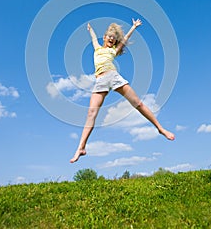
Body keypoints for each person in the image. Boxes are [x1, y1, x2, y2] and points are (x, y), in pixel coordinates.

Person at [70, 19, 175, 163]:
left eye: (114, 37)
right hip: (100, 81)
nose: (112, 39)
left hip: (113, 77)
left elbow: (125, 39)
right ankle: (81, 148)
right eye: (109, 36)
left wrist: (133, 27)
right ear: (105, 37)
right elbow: (94, 38)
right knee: (91, 113)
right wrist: (90, 30)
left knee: (138, 103)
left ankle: (160, 128)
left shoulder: (113, 50)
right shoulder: (97, 48)